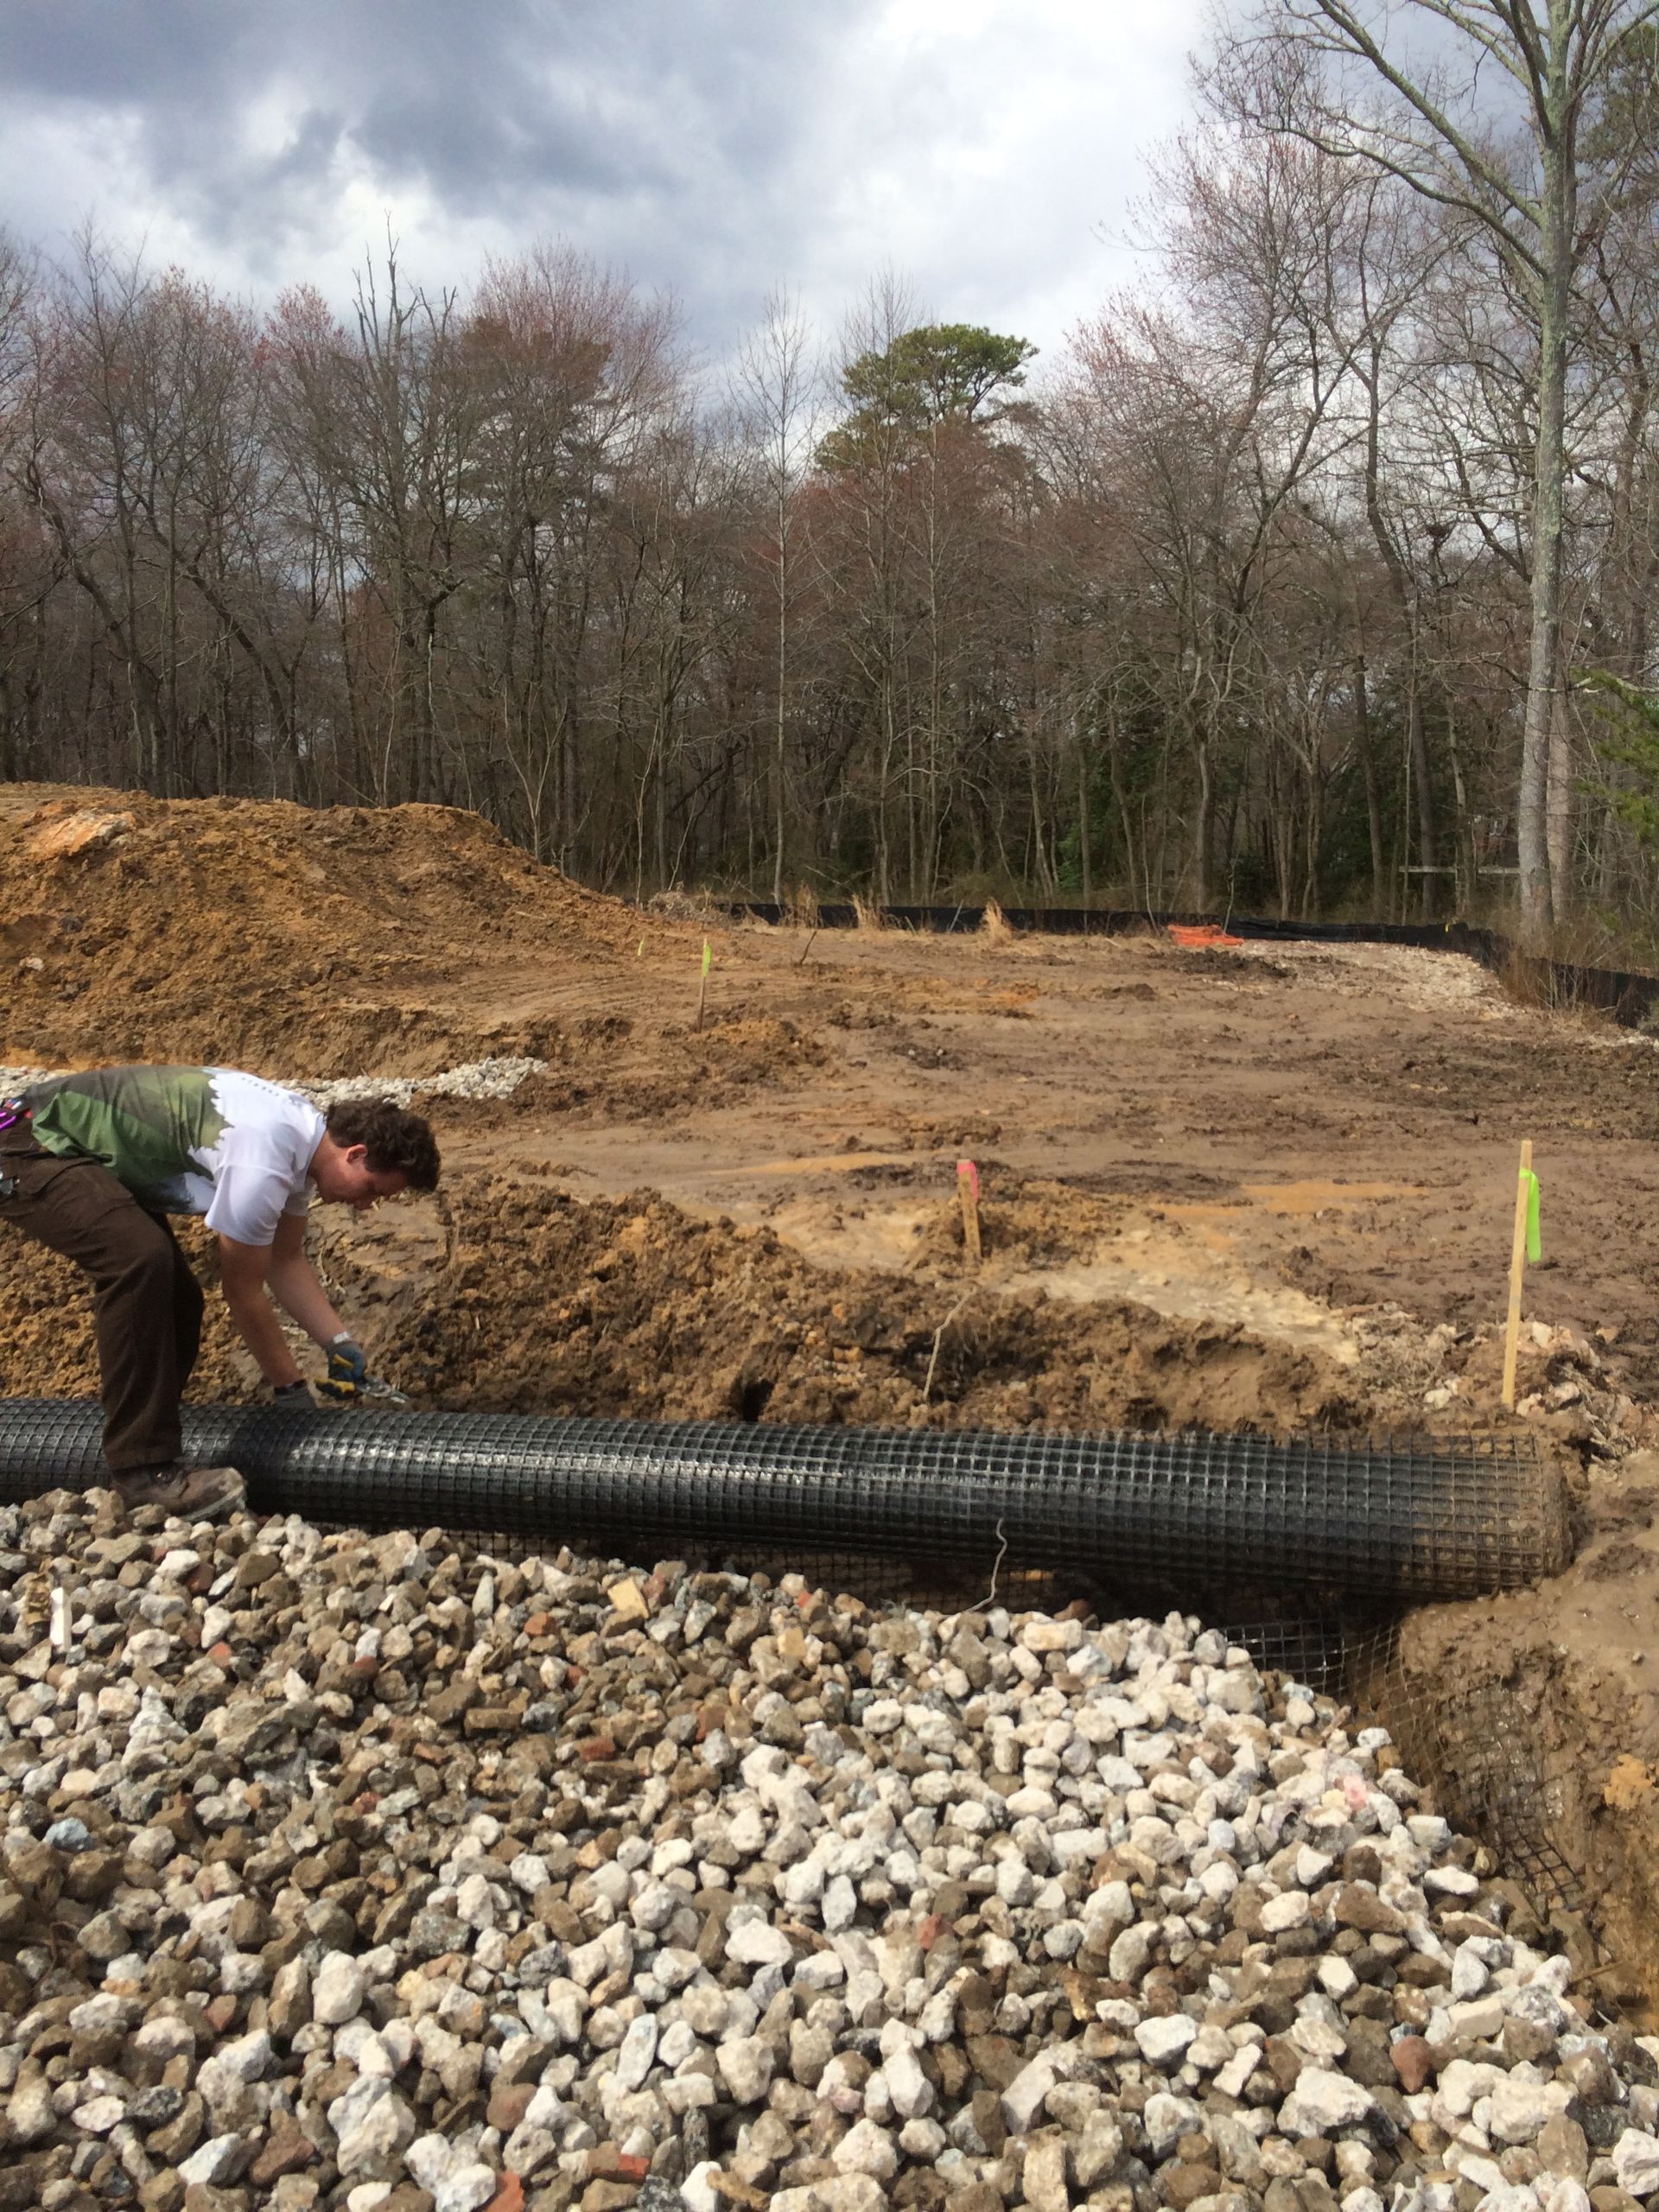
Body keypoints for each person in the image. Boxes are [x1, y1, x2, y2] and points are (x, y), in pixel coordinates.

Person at [0, 1065, 440, 1522]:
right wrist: (290, 1390)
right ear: (356, 1154)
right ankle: (141, 1473)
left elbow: (284, 1261)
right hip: (31, 1145)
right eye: (372, 1190)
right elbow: (242, 1292)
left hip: (74, 1149)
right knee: (140, 1260)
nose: (366, 1205)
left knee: (178, 1296)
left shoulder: (302, 1145)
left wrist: (339, 1343)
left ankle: (152, 1443)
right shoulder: (265, 1159)